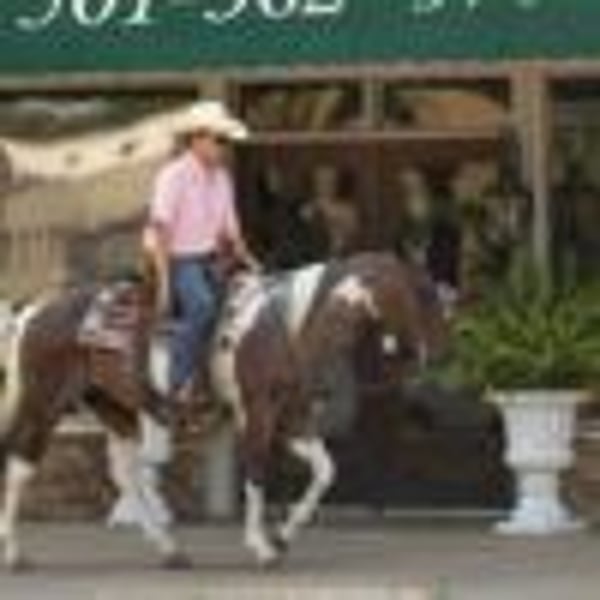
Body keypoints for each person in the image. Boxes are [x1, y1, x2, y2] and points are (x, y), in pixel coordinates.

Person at [142, 100, 259, 403]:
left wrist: (250, 261)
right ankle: (176, 383)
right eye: (219, 140)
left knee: (245, 305)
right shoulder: (173, 175)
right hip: (177, 259)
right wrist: (165, 283)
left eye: (226, 141)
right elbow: (161, 228)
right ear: (197, 139)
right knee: (203, 307)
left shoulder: (222, 178)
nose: (224, 147)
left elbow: (231, 229)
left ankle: (218, 379)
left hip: (211, 260)